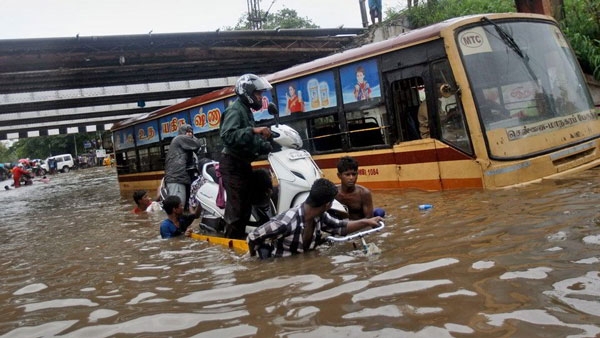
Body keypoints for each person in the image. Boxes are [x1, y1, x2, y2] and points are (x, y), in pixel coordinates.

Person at [247, 178, 383, 259]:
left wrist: (367, 221)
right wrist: (260, 260)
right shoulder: (285, 223)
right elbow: (252, 237)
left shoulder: (320, 216)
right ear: (327, 204)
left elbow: (340, 227)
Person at [219, 73, 273, 239]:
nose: (260, 97)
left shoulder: (246, 111)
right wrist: (253, 130)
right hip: (232, 164)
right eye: (258, 94)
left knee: (247, 205)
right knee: (237, 210)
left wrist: (268, 145)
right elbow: (227, 136)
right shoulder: (235, 110)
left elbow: (249, 142)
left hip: (242, 164)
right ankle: (231, 247)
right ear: (248, 93)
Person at [163, 124, 203, 211]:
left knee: (184, 209)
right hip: (176, 178)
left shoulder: (187, 148)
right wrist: (193, 137)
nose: (189, 134)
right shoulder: (179, 139)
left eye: (191, 132)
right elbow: (197, 144)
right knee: (177, 208)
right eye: (187, 132)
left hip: (184, 178)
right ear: (182, 133)